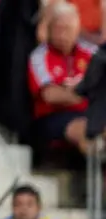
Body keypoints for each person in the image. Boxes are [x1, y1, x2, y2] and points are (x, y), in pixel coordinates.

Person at [28, 3, 97, 154]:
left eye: (68, 29)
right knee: (88, 128)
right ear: (50, 29)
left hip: (89, 113)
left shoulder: (91, 54)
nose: (63, 35)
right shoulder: (39, 56)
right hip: (52, 117)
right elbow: (51, 95)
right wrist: (85, 92)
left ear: (77, 30)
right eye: (58, 29)